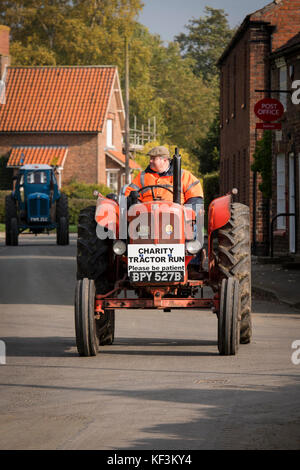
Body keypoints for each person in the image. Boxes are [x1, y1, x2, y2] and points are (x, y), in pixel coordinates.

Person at [124, 146, 203, 206]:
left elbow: (195, 197)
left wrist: (184, 212)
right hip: (146, 218)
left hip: (175, 219)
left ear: (165, 160)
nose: (150, 161)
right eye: (150, 158)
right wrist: (135, 203)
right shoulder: (142, 176)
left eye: (153, 158)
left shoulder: (184, 176)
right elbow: (129, 194)